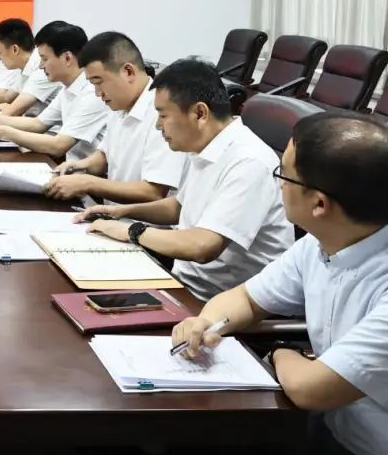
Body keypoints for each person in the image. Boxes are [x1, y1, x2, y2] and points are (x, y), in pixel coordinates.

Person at [172, 113, 388, 455]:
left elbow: (311, 388)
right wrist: (206, 321)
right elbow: (247, 298)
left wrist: (280, 352)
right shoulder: (323, 241)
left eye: (283, 174)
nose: (278, 184)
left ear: (319, 203)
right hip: (329, 430)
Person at [81, 59, 292, 301]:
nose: (158, 125)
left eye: (163, 115)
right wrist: (120, 212)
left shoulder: (249, 161)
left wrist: (131, 230)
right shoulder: (206, 144)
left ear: (199, 113)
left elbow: (202, 246)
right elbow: (180, 207)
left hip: (219, 301)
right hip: (182, 281)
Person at [43, 31, 186, 204]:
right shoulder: (118, 105)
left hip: (141, 219)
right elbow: (105, 156)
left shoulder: (162, 113)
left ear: (128, 72)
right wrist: (80, 166)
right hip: (111, 214)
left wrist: (88, 183)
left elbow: (153, 192)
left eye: (99, 82)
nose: (98, 93)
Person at [0, 22, 109, 161]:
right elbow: (38, 124)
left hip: (81, 168)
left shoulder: (92, 93)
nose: (41, 66)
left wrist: (4, 132)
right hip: (70, 164)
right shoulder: (68, 88)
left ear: (67, 58)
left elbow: (59, 146)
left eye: (45, 59)